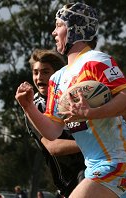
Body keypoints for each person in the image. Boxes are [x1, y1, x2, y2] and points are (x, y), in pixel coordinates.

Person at [15, 2, 126, 197]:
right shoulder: (57, 79)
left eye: (58, 25)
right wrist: (28, 106)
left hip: (119, 164)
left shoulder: (96, 61)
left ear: (74, 29)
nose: (53, 32)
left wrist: (91, 113)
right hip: (93, 168)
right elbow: (52, 132)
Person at [26, 49, 86, 197]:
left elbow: (113, 108)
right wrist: (94, 143)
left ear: (58, 74)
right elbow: (53, 146)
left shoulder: (74, 96)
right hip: (70, 181)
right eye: (36, 72)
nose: (39, 77)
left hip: (95, 166)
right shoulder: (34, 108)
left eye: (45, 72)